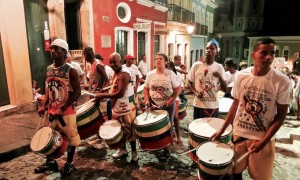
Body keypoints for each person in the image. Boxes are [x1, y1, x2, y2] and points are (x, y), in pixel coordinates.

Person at [210, 37, 292, 180]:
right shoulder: (242, 76)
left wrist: (264, 141)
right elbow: (235, 105)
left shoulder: (282, 81)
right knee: (235, 173)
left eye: (272, 53)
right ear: (253, 55)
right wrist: (222, 130)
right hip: (239, 135)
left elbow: (281, 116)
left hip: (262, 139)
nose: (269, 57)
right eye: (264, 52)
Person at [35, 39, 81, 176]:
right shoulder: (49, 69)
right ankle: (51, 162)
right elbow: (49, 89)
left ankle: (69, 163)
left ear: (64, 52)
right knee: (50, 136)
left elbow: (77, 92)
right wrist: (44, 105)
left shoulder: (70, 70)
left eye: (56, 48)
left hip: (67, 112)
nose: (52, 51)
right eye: (52, 48)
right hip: (52, 111)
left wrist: (64, 106)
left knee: (70, 137)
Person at [94, 52, 138, 162]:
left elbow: (120, 93)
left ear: (120, 61)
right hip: (117, 107)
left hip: (127, 107)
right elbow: (114, 86)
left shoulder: (124, 74)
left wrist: (102, 96)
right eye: (111, 62)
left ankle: (134, 152)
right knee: (118, 129)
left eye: (115, 62)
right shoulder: (116, 72)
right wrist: (104, 90)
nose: (113, 64)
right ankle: (122, 150)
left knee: (130, 131)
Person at [144, 53, 181, 157]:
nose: (158, 60)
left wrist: (171, 99)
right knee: (154, 126)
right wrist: (147, 100)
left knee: (166, 127)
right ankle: (155, 145)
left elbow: (178, 89)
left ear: (165, 62)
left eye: (160, 59)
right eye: (156, 59)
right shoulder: (150, 74)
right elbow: (146, 88)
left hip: (167, 106)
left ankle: (166, 147)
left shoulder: (170, 74)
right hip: (153, 104)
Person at [188, 38, 227, 119]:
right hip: (199, 105)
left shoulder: (219, 67)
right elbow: (190, 82)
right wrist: (196, 93)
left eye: (212, 48)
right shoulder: (196, 65)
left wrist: (219, 77)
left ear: (216, 52)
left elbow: (225, 88)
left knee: (211, 130)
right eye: (207, 48)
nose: (208, 50)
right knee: (198, 129)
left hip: (213, 106)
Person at [166, 61, 183, 145]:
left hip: (175, 98)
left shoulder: (176, 76)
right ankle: (168, 137)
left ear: (172, 68)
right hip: (164, 99)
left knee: (175, 118)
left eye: (167, 67)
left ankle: (178, 137)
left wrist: (172, 97)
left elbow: (180, 88)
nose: (166, 68)